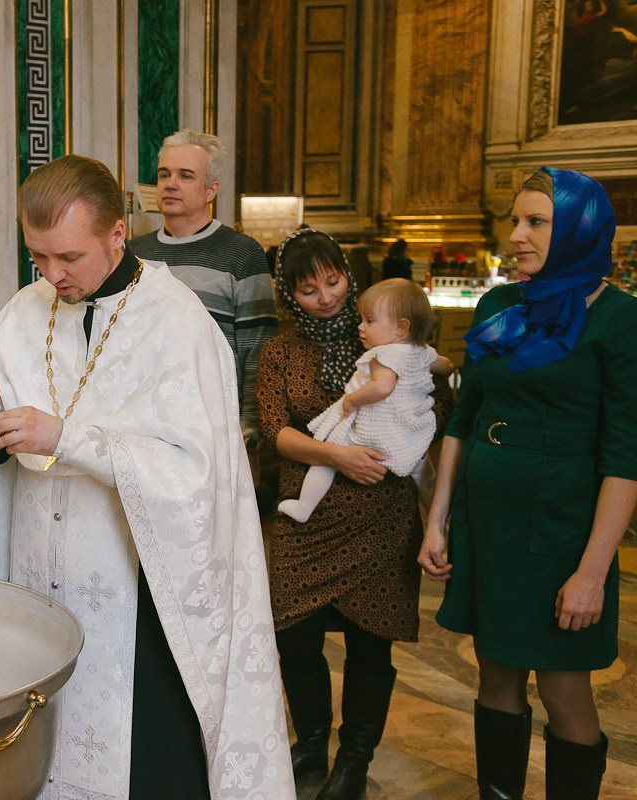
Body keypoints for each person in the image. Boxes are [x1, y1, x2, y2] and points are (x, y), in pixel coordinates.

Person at [0, 155, 292, 799]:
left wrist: (68, 440)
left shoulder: (177, 323)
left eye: (68, 256)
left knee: (146, 763)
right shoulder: (23, 311)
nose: (52, 274)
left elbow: (196, 479)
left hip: (139, 593)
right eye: (37, 257)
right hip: (44, 583)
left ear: (118, 234)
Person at [419, 167, 637, 799]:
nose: (515, 234)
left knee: (564, 686)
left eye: (535, 221)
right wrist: (439, 517)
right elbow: (464, 417)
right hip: (489, 525)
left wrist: (593, 572)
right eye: (514, 220)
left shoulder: (621, 322)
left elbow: (626, 458)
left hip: (565, 531)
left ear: (578, 228)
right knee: (496, 673)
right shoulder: (497, 305)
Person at [256, 228, 452, 799]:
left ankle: (355, 761)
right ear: (288, 293)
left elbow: (437, 408)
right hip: (307, 516)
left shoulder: (388, 335)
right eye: (309, 288)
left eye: (334, 280)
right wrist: (337, 454)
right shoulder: (280, 351)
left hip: (380, 511)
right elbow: (276, 431)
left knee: (372, 641)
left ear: (349, 274)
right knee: (293, 635)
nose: (327, 296)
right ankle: (311, 744)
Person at [129, 129, 277, 451]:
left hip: (218, 428)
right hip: (145, 425)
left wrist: (249, 428)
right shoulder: (132, 254)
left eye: (185, 176)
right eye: (164, 174)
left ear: (211, 190)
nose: (170, 184)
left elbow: (258, 348)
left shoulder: (242, 253)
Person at [279, 278, 453, 523]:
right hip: (409, 430)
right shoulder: (422, 350)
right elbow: (444, 366)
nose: (361, 327)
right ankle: (442, 518)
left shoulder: (381, 354)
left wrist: (353, 400)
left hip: (377, 427)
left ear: (401, 327)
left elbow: (383, 386)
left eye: (370, 321)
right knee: (424, 472)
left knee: (328, 457)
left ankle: (304, 505)